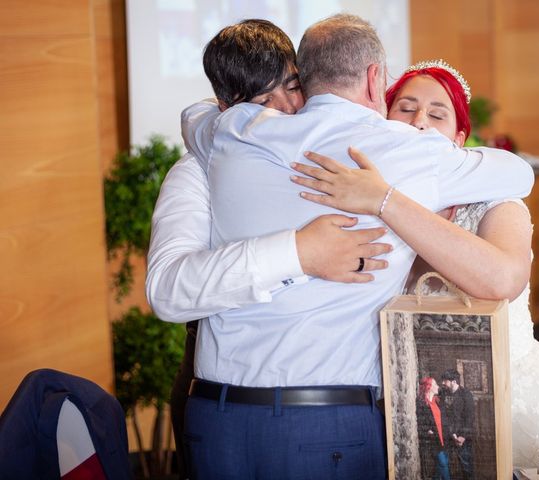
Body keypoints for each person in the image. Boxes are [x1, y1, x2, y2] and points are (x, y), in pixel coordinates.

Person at [177, 14, 533, 478]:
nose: (419, 121)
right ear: (375, 81)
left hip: (214, 415)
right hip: (325, 424)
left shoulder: (235, 128)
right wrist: (387, 193)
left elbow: (195, 116)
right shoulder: (409, 152)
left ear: (305, 77)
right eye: (405, 105)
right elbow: (518, 172)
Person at [290, 58, 539, 467]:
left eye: (437, 114)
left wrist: (388, 201)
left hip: (501, 395)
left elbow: (502, 279)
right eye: (405, 107)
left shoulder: (496, 203)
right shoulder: (359, 203)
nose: (419, 121)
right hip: (395, 400)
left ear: (459, 138)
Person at [146, 19, 392, 479]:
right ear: (228, 109)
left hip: (339, 414)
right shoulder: (201, 169)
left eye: (294, 86)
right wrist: (299, 253)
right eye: (261, 103)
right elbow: (167, 289)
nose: (284, 110)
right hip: (227, 412)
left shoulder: (343, 153)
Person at [441, 369, 475, 479]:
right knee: (446, 465)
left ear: (454, 382)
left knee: (466, 466)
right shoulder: (443, 394)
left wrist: (462, 436)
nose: (442, 383)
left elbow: (469, 418)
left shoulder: (466, 394)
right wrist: (452, 434)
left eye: (445, 381)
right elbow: (443, 416)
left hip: (463, 438)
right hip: (449, 435)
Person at [418, 377, 452, 480]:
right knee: (443, 464)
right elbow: (420, 422)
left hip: (444, 438)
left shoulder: (437, 401)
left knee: (439, 468)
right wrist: (427, 431)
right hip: (434, 440)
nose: (438, 386)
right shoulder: (422, 403)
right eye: (435, 384)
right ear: (429, 387)